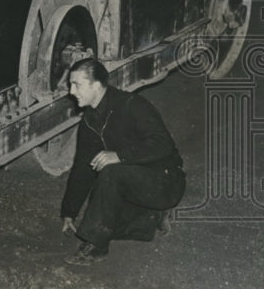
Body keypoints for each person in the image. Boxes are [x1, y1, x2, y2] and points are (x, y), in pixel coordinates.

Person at [60, 57, 186, 266]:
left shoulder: (131, 104)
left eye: (77, 85)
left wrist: (120, 156)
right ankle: (151, 219)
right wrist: (69, 212)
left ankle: (96, 248)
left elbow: (163, 145)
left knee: (110, 174)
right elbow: (83, 168)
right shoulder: (90, 121)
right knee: (101, 219)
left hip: (165, 181)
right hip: (135, 183)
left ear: (97, 85)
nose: (71, 92)